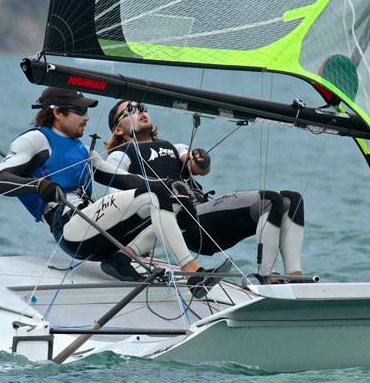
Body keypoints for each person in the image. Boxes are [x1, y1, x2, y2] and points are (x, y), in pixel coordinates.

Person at [0, 87, 205, 282]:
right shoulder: (35, 139)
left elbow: (123, 178)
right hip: (71, 229)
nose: (87, 117)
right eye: (80, 111)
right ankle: (192, 271)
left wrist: (166, 183)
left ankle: (121, 258)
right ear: (57, 112)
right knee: (156, 195)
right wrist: (38, 186)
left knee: (178, 201)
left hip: (94, 228)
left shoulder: (83, 150)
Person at [102, 99, 305, 280]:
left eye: (141, 107)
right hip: (189, 223)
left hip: (208, 215)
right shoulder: (121, 154)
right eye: (130, 110)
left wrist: (201, 160)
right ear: (118, 130)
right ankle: (268, 277)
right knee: (270, 201)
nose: (140, 111)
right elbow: (118, 196)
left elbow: (197, 168)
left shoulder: (174, 146)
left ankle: (295, 277)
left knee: (292, 200)